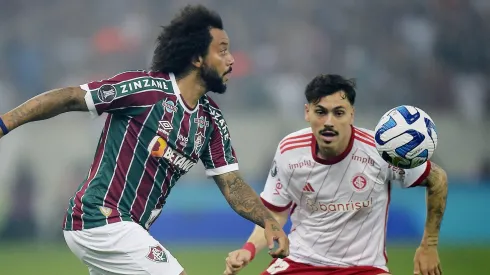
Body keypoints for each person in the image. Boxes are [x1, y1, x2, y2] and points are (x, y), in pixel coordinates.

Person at [0, 5, 289, 275]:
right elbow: (72, 97)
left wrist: (267, 221)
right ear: (197, 57)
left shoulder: (211, 119)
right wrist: (5, 123)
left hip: (129, 229)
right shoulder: (146, 90)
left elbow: (233, 185)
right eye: (222, 50)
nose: (232, 59)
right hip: (100, 218)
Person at [224, 74, 448, 275]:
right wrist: (248, 250)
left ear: (352, 114)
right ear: (307, 112)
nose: (329, 122)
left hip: (364, 268)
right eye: (320, 112)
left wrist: (429, 245)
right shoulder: (289, 151)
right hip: (300, 263)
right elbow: (275, 211)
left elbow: (437, 179)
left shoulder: (381, 151)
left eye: (338, 112)